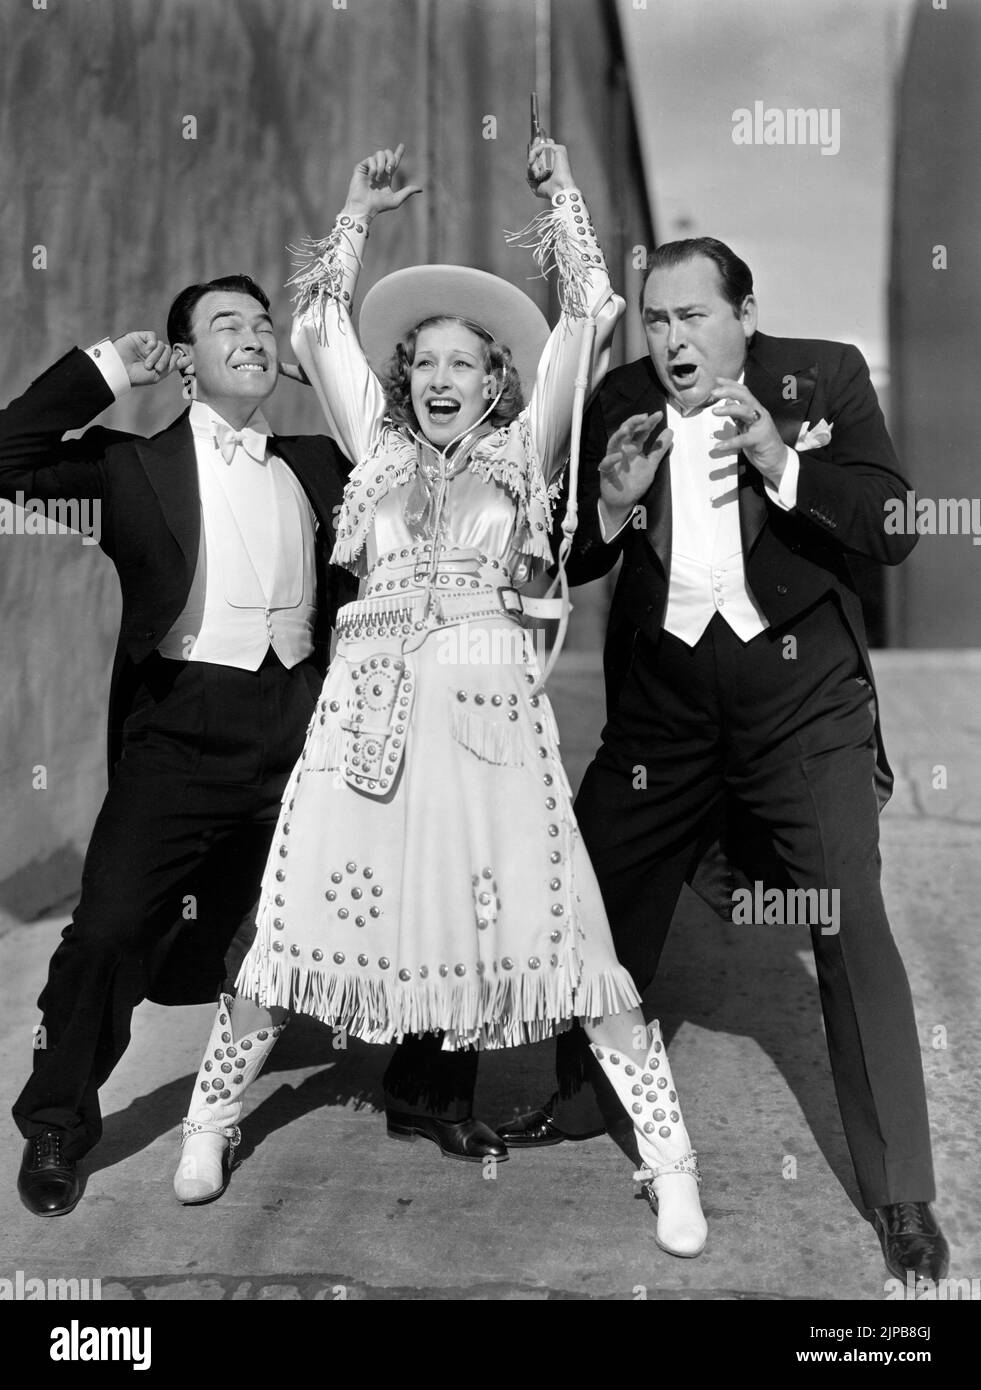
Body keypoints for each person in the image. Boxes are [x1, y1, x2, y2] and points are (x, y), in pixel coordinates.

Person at [173, 140, 708, 1259]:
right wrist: (357, 213)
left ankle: (669, 1162)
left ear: (497, 379)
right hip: (365, 721)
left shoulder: (524, 450)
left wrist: (559, 194)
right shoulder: (375, 447)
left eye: (466, 362)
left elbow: (587, 317)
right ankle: (211, 1119)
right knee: (293, 930)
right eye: (425, 362)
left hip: (489, 726)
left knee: (567, 936)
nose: (442, 378)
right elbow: (320, 327)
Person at [497, 236, 949, 1283]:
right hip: (664, 715)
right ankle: (574, 1099)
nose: (670, 338)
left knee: (847, 913)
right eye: (656, 319)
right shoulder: (617, 398)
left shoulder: (824, 373)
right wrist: (607, 505)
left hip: (803, 706)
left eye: (693, 317)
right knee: (593, 899)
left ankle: (902, 1193)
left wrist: (782, 464)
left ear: (746, 314)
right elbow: (561, 557)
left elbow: (895, 526)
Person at [1, 274, 353, 1217]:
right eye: (224, 325)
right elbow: (7, 458)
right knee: (109, 931)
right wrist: (112, 366)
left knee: (380, 904)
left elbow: (421, 459)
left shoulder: (322, 460)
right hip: (180, 732)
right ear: (187, 362)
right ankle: (58, 1125)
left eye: (262, 323)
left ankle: (421, 1088)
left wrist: (325, 370)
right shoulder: (129, 469)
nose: (251, 334)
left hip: (302, 730)